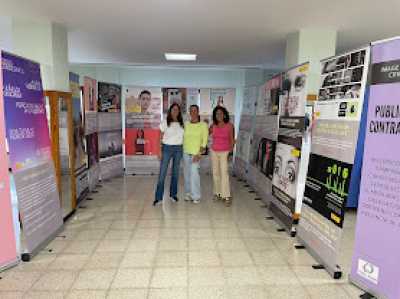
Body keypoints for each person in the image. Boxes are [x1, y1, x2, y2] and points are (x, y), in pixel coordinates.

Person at [153, 103, 184, 206]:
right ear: (170, 111)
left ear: (179, 111)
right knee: (162, 174)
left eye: (177, 109)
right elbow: (159, 136)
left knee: (175, 173)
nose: (175, 111)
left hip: (178, 149)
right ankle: (158, 197)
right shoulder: (165, 122)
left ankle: (173, 194)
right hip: (166, 148)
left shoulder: (182, 123)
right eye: (173, 109)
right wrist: (159, 150)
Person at [183, 105, 208, 204]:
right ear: (189, 112)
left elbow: (204, 142)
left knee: (194, 174)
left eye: (195, 110)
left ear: (198, 112)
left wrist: (199, 154)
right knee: (187, 174)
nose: (193, 112)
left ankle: (196, 195)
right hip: (185, 152)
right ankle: (188, 193)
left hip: (196, 154)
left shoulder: (203, 125)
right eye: (191, 111)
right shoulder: (186, 124)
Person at [210, 106, 234, 206]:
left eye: (220, 113)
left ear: (224, 115)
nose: (219, 115)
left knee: (224, 173)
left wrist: (231, 152)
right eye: (217, 114)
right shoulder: (213, 126)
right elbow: (206, 133)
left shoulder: (230, 126)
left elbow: (232, 140)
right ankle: (217, 193)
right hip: (214, 151)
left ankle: (226, 196)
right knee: (215, 173)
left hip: (225, 152)